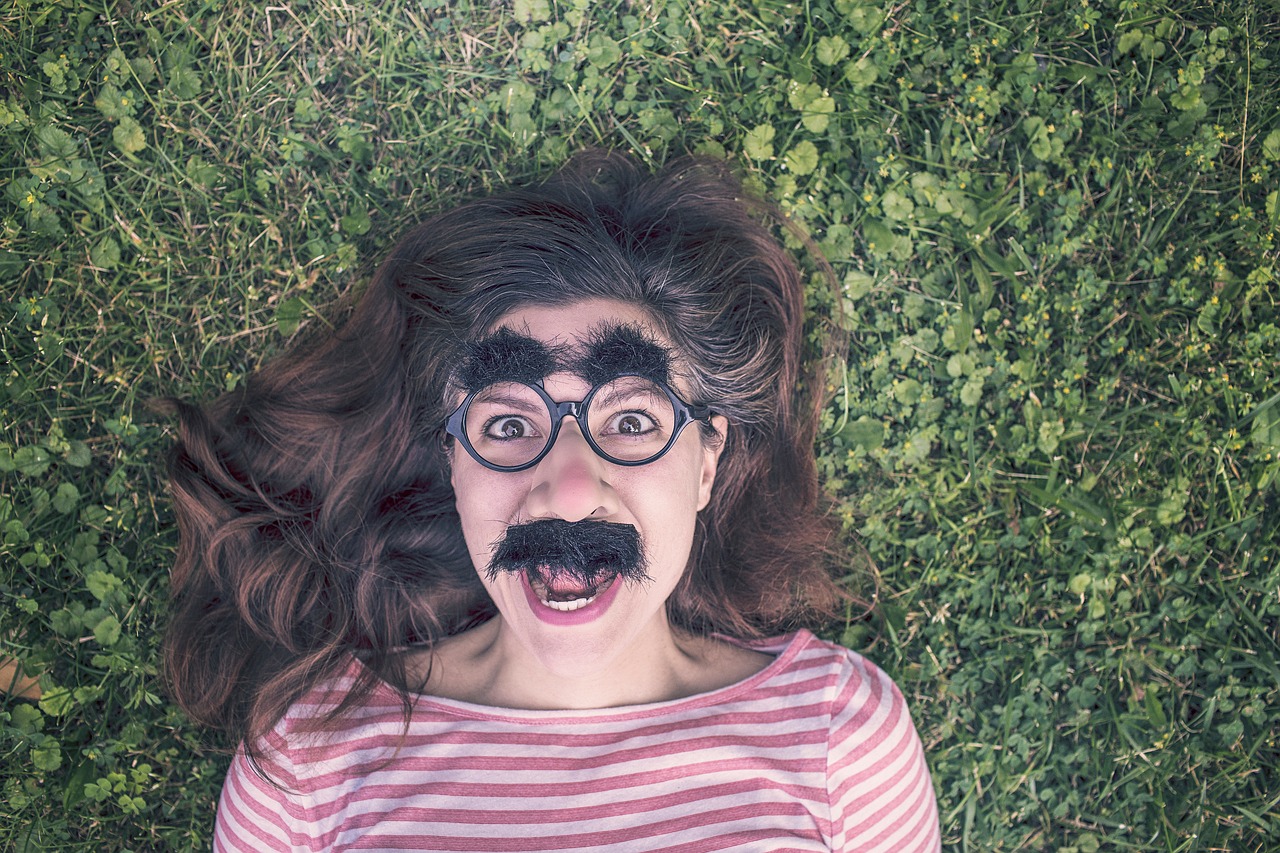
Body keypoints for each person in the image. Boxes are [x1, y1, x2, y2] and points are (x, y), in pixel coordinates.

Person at [163, 151, 942, 851]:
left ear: (707, 461)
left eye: (631, 420)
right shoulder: (310, 761)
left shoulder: (840, 737)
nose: (570, 490)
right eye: (508, 422)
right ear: (452, 463)